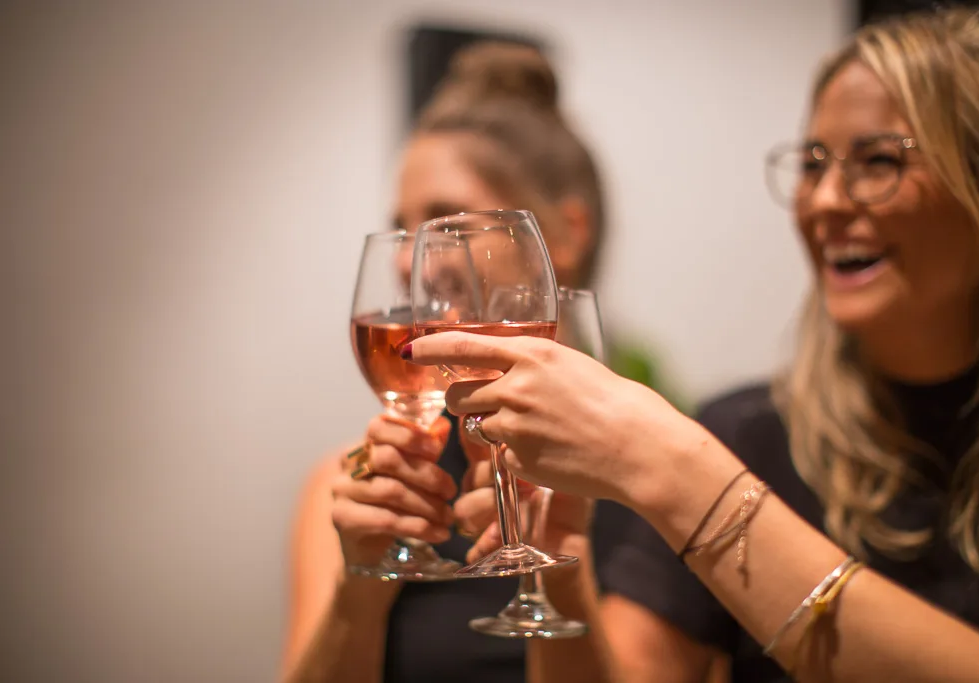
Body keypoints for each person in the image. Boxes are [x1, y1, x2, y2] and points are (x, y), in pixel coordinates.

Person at [408, 5, 979, 682]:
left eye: (878, 160)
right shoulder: (748, 431)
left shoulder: (701, 454)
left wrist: (675, 470)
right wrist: (561, 565)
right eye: (813, 164)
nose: (823, 201)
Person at [281, 42, 688, 683]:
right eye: (401, 226)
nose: (404, 258)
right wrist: (360, 589)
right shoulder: (346, 486)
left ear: (560, 238)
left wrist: (560, 575)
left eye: (444, 220)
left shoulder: (662, 487)